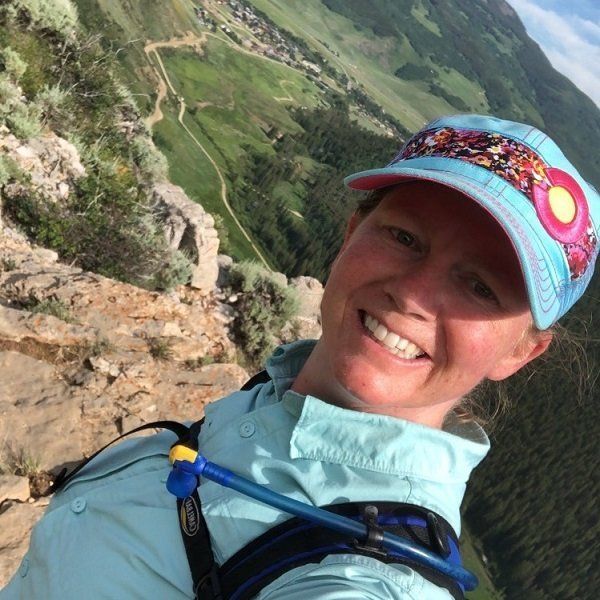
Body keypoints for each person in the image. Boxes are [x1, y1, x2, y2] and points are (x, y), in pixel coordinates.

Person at [2, 114, 598, 599]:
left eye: (480, 288)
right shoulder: (278, 392)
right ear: (350, 236)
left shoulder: (372, 579)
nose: (413, 295)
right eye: (405, 237)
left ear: (522, 353)